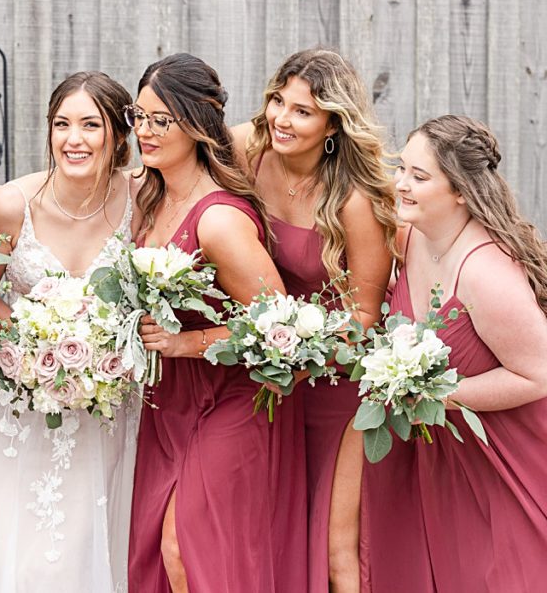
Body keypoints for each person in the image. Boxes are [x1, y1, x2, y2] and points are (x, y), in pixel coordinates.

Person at [0, 71, 140, 592]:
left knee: (90, 549)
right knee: (22, 557)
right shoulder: (12, 204)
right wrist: (35, 347)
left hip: (106, 408)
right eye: (61, 124)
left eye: (90, 125)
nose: (73, 139)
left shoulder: (143, 200)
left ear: (119, 135)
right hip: (16, 407)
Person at [127, 53, 306, 592]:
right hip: (171, 401)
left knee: (188, 546)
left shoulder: (220, 219)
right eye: (140, 116)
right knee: (157, 548)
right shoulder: (152, 195)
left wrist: (187, 342)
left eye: (162, 120)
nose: (146, 131)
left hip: (230, 399)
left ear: (198, 123)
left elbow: (284, 328)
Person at [231, 48, 397, 592]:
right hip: (258, 377)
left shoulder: (354, 198)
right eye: (278, 100)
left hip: (332, 386)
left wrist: (302, 359)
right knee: (266, 529)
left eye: (302, 111)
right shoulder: (247, 151)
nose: (282, 118)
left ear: (332, 123)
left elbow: (364, 314)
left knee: (334, 547)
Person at [372, 115, 547, 590]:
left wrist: (435, 395)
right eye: (401, 168)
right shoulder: (407, 239)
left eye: (419, 176)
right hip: (443, 455)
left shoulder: (486, 272)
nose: (401, 184)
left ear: (462, 193)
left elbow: (538, 375)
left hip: (507, 457)